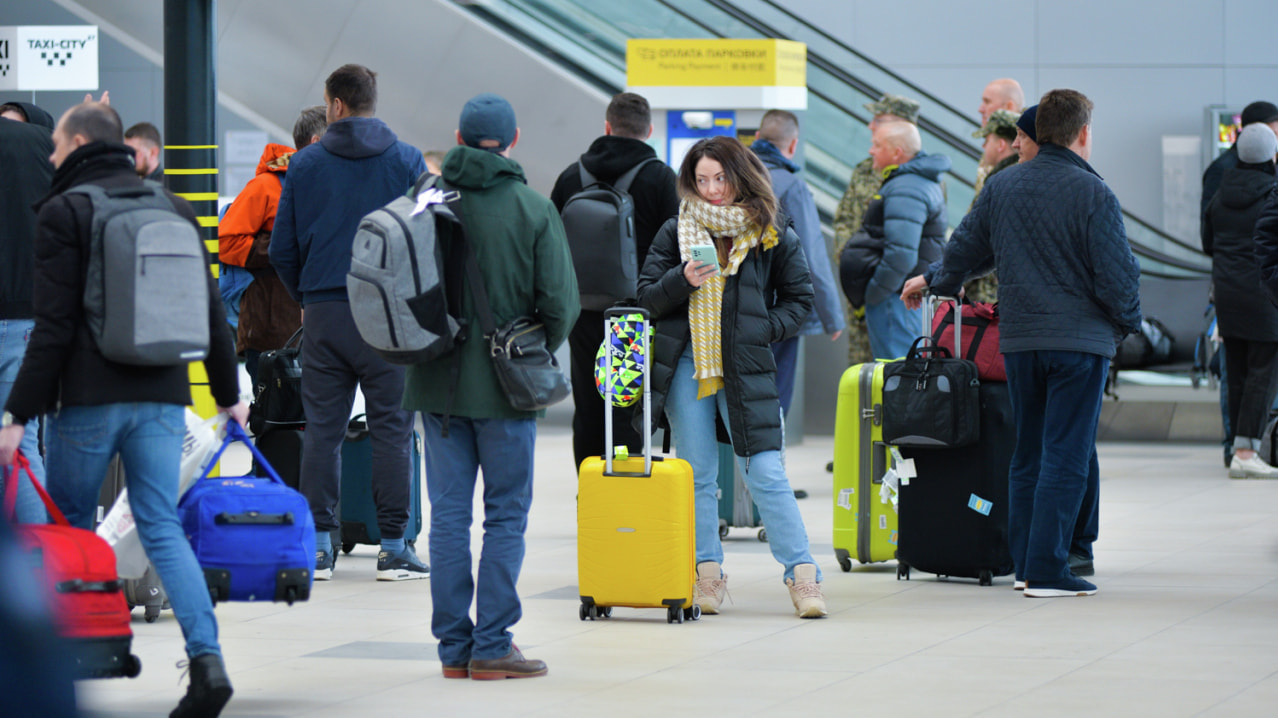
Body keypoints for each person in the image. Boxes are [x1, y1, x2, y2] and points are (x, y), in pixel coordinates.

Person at [0, 98, 247, 717]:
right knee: (162, 526)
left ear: (81, 144)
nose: (51, 154)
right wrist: (227, 396)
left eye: (56, 144)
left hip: (87, 400)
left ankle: (70, 662)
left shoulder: (65, 211)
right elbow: (212, 315)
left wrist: (16, 416)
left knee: (70, 529)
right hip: (163, 394)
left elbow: (53, 329)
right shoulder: (173, 208)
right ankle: (208, 661)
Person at [902, 89, 1141, 598]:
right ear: (1081, 134)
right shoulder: (1094, 193)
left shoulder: (1002, 186)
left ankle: (1028, 565)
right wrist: (1123, 327)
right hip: (1079, 345)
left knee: (1027, 453)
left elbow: (965, 252)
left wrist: (936, 279)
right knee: (1066, 454)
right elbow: (1118, 280)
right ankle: (1050, 571)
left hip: (1021, 342)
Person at [404, 93, 579, 679]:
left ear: (457, 137)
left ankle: (453, 650)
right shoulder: (531, 207)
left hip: (434, 385)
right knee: (505, 514)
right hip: (507, 388)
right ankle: (493, 645)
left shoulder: (421, 200)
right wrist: (530, 347)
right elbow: (561, 304)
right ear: (514, 140)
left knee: (448, 516)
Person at [637, 135, 825, 618]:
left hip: (746, 367)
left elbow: (801, 302)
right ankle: (708, 575)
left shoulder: (770, 230)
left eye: (720, 178)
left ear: (739, 174)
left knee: (764, 471)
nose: (712, 189)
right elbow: (646, 300)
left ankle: (803, 576)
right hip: (686, 366)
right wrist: (683, 279)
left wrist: (760, 330)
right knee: (697, 475)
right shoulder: (674, 229)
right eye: (701, 180)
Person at [269, 64, 428, 581]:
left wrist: (310, 297)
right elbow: (428, 241)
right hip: (386, 315)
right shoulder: (406, 160)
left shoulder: (305, 164)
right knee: (392, 429)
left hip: (326, 312)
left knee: (322, 429)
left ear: (335, 105)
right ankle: (395, 546)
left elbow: (281, 249)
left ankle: (319, 545)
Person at [550, 91, 679, 469]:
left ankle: (590, 495)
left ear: (607, 127)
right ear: (649, 131)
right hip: (636, 315)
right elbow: (677, 244)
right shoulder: (659, 178)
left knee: (589, 407)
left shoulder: (572, 177)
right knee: (627, 406)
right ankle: (623, 492)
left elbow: (553, 244)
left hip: (583, 309)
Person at [218, 106, 326, 388]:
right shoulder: (264, 187)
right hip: (270, 332)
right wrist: (287, 245)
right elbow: (227, 243)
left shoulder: (328, 185)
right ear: (316, 142)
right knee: (276, 420)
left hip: (316, 329)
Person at [751, 109, 844, 414]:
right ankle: (769, 460)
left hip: (732, 306)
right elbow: (811, 254)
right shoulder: (791, 186)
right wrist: (831, 315)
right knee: (775, 396)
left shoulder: (731, 179)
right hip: (780, 310)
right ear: (793, 145)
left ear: (756, 138)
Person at [1202, 123, 1278, 478]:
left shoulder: (1220, 193)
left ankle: (1236, 448)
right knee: (1263, 373)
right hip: (1263, 297)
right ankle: (1247, 452)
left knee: (1237, 373)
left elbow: (1207, 243)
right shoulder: (1272, 191)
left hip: (1228, 295)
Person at [832, 94, 920, 366]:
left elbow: (916, 242)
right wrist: (854, 266)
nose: (871, 125)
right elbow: (844, 219)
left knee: (898, 371)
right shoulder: (864, 170)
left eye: (879, 120)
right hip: (862, 293)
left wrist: (881, 281)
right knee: (861, 374)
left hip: (898, 297)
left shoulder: (920, 178)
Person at [849, 122, 949, 360]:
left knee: (900, 379)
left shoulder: (907, 186)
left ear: (897, 152)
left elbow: (901, 255)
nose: (871, 150)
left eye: (877, 145)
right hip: (901, 298)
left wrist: (874, 294)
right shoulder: (913, 182)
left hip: (897, 301)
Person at [0, 102, 54, 525]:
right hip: (28, 321)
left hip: (26, 319)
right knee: (20, 442)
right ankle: (39, 561)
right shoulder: (49, 155)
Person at [963, 108, 1021, 304]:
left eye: (987, 140)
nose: (983, 146)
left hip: (989, 292)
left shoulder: (1003, 183)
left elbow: (978, 239)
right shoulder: (1008, 178)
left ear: (1001, 145)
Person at [1202, 100, 1278, 221]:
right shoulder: (1221, 168)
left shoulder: (1272, 166)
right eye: (1272, 134)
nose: (1275, 141)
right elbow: (1208, 220)